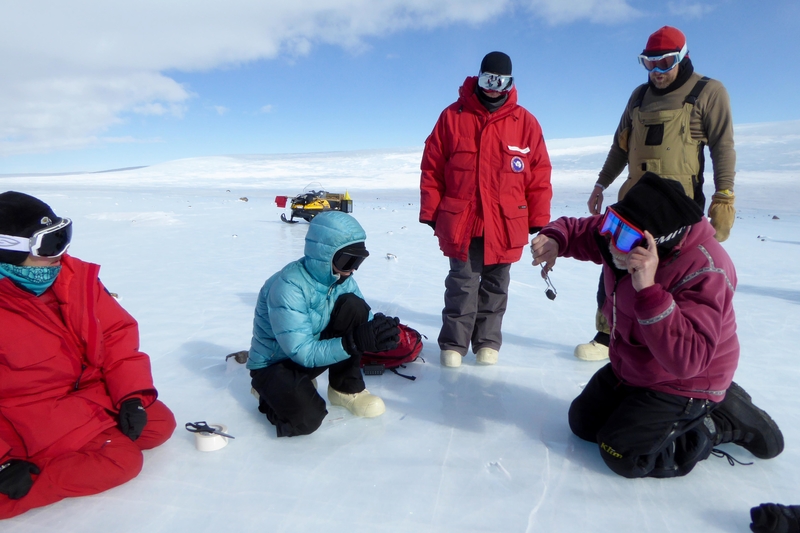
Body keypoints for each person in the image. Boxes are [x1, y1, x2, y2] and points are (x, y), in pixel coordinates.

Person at [531, 173, 782, 478]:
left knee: (621, 453)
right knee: (584, 423)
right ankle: (696, 409)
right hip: (637, 367)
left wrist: (649, 291)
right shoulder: (624, 235)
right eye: (612, 224)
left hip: (687, 380)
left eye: (621, 236)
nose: (609, 238)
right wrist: (556, 238)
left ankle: (716, 421)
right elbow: (583, 229)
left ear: (656, 244)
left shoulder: (706, 269)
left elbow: (688, 360)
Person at [0, 191, 176, 518]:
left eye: (62, 237)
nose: (61, 253)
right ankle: (13, 491)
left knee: (158, 423)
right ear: (8, 251)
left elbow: (115, 335)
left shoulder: (73, 279)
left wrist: (130, 395)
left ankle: (95, 432)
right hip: (30, 415)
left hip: (85, 392)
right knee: (121, 460)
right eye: (49, 245)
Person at [576, 26, 737, 361]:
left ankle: (662, 345)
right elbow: (619, 147)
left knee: (668, 277)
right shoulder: (637, 96)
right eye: (650, 64)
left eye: (665, 63)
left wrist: (724, 197)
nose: (657, 73)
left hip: (678, 210)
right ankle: (608, 336)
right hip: (633, 204)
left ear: (683, 57)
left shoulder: (709, 91)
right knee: (615, 266)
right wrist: (601, 183)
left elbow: (723, 147)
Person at [419, 51, 552, 368]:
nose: (493, 87)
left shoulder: (525, 123)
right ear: (478, 78)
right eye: (487, 79)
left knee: (496, 286)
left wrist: (538, 219)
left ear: (510, 84)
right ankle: (453, 344)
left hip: (505, 223)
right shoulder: (452, 116)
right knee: (462, 284)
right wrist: (431, 211)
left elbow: (539, 174)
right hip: (461, 220)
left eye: (500, 81)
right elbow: (432, 168)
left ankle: (487, 343)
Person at [247, 211, 400, 437]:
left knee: (354, 306)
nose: (353, 269)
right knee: (307, 419)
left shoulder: (341, 279)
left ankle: (345, 389)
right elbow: (302, 351)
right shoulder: (288, 287)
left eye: (358, 261)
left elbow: (361, 321)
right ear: (324, 255)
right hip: (275, 364)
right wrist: (355, 341)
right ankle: (267, 394)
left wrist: (378, 332)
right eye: (348, 260)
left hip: (311, 354)